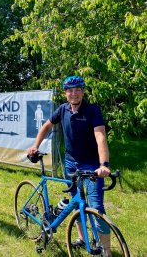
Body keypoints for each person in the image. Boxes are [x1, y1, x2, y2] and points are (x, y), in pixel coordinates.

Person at [27, 75, 112, 253]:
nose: (73, 94)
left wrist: (103, 164)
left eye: (77, 90)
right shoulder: (63, 109)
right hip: (70, 163)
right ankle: (82, 238)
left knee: (97, 207)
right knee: (76, 201)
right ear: (65, 93)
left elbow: (100, 137)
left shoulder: (92, 111)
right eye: (70, 91)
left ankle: (106, 252)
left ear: (82, 91)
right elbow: (46, 126)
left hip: (91, 164)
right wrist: (35, 146)